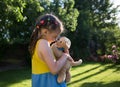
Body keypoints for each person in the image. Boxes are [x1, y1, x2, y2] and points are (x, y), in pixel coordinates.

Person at [29, 14, 72, 87]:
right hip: (49, 83)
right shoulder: (43, 43)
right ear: (45, 32)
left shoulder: (38, 43)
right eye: (55, 36)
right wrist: (65, 56)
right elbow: (54, 69)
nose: (56, 39)